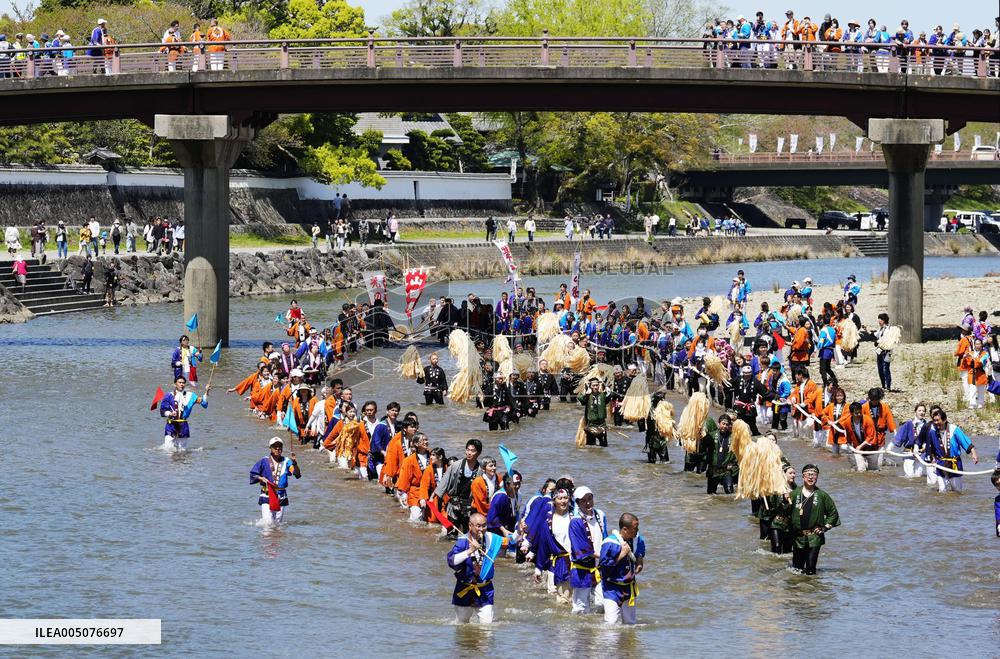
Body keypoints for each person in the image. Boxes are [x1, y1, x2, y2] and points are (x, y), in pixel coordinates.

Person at [447, 511, 511, 624]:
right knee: (462, 624)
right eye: (478, 526)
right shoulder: (463, 541)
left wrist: (520, 534)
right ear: (470, 526)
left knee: (487, 626)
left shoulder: (492, 538)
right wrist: (470, 551)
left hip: (485, 588)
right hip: (464, 587)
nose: (482, 529)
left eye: (484, 525)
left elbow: (511, 541)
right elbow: (451, 561)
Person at [790, 464, 840, 575]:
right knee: (796, 570)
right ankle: (795, 591)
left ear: (817, 477)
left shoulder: (822, 495)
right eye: (808, 475)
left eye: (814, 475)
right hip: (798, 537)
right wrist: (783, 500)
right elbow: (784, 511)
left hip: (814, 537)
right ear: (803, 477)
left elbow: (833, 514)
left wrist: (825, 527)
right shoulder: (794, 494)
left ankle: (812, 590)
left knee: (811, 569)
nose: (811, 477)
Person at [568, 486, 607, 615]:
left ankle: (596, 631)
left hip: (600, 567)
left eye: (590, 498)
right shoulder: (575, 522)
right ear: (578, 503)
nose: (588, 503)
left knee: (602, 603)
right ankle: (580, 634)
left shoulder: (600, 515)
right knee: (580, 609)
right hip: (582, 570)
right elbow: (581, 549)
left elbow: (605, 537)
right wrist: (602, 556)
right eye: (583, 501)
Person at [599, 513, 643, 625]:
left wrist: (639, 562)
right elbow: (603, 569)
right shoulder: (609, 543)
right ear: (625, 529)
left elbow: (640, 551)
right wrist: (621, 554)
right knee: (611, 623)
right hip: (612, 588)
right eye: (635, 528)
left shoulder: (636, 539)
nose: (637, 530)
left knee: (630, 623)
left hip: (629, 587)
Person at [923, 409, 980, 493]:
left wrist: (974, 454)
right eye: (934, 420)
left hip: (954, 463)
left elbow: (965, 441)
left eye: (937, 420)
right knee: (942, 489)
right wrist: (932, 458)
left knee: (957, 491)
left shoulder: (954, 429)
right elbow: (930, 446)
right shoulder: (932, 431)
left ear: (944, 419)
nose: (935, 422)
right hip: (940, 463)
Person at [434, 438, 483, 533]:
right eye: (467, 450)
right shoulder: (455, 465)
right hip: (454, 504)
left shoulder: (481, 470)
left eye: (472, 451)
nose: (469, 453)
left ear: (479, 453)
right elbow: (443, 484)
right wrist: (434, 498)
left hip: (470, 507)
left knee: (469, 533)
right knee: (451, 533)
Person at [250, 437, 301, 527]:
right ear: (270, 448)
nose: (278, 448)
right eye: (275, 446)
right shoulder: (264, 461)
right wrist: (261, 478)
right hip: (267, 495)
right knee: (268, 523)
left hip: (281, 496)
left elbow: (297, 475)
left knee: (277, 525)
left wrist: (294, 463)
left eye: (280, 446)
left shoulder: (287, 461)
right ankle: (267, 540)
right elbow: (253, 474)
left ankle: (277, 540)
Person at [159, 375, 210, 451]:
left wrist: (207, 392)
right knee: (167, 449)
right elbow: (162, 411)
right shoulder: (168, 395)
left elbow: (204, 404)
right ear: (175, 384)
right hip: (171, 424)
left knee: (182, 450)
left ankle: (182, 463)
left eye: (183, 383)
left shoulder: (191, 396)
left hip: (183, 424)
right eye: (179, 382)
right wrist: (169, 413)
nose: (181, 384)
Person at [759, 464, 796, 554]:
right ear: (784, 475)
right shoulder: (776, 489)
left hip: (790, 525)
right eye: (790, 473)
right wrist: (783, 499)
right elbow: (772, 505)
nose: (793, 475)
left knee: (788, 551)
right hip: (776, 523)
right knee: (777, 548)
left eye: (794, 473)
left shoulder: (796, 489)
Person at [704, 414, 739, 494]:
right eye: (723, 424)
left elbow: (738, 453)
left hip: (726, 471)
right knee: (711, 495)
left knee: (729, 494)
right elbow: (703, 447)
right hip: (713, 471)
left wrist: (733, 463)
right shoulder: (711, 435)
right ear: (719, 423)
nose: (725, 426)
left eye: (727, 424)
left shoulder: (733, 437)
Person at [578, 377, 608, 447]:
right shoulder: (587, 396)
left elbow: (610, 396)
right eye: (593, 385)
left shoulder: (602, 395)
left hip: (602, 424)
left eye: (597, 385)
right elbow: (581, 399)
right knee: (590, 446)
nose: (595, 387)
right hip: (591, 424)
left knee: (603, 446)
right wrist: (587, 394)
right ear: (590, 386)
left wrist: (606, 387)